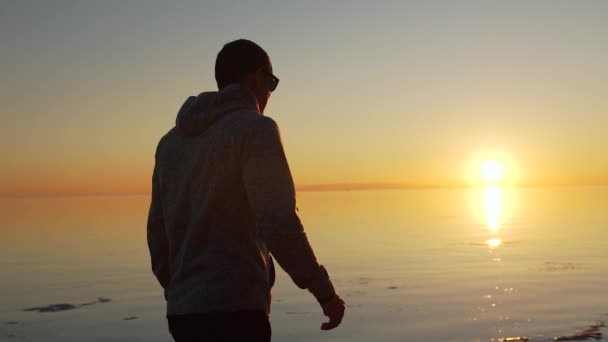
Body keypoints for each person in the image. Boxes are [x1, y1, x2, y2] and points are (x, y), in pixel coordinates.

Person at [146, 39, 346, 341]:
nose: (270, 93)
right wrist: (325, 293)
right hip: (236, 313)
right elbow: (278, 221)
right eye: (272, 82)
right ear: (256, 77)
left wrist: (178, 291)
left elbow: (157, 233)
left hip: (182, 316)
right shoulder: (256, 130)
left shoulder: (169, 144)